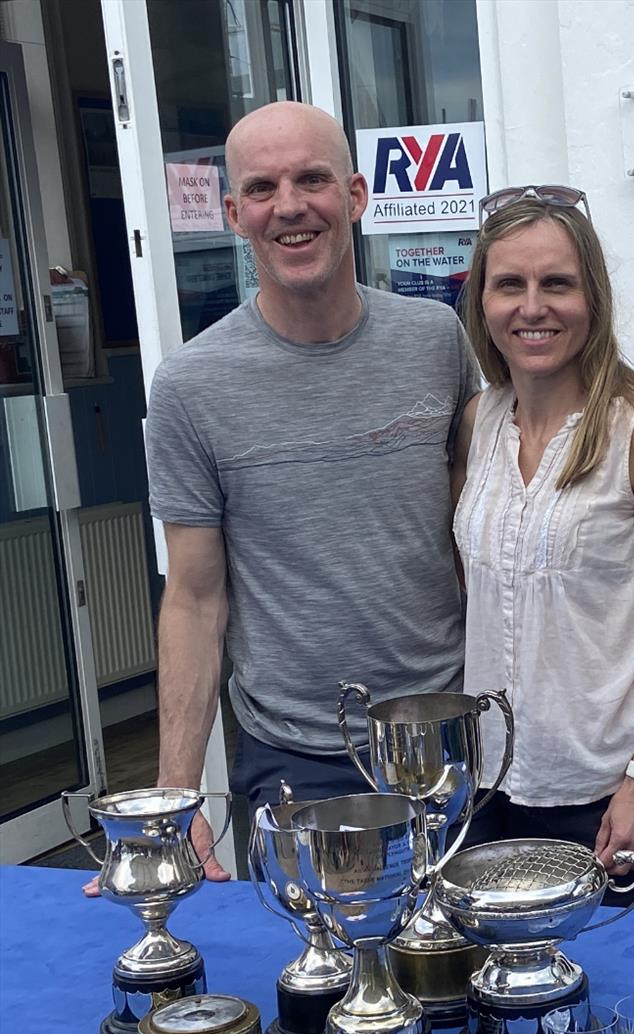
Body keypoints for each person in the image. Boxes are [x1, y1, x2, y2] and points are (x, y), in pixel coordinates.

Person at [85, 102, 480, 894]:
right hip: (299, 759)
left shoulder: (437, 340)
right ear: (234, 213)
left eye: (312, 179)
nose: (290, 206)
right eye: (262, 188)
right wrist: (175, 802)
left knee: (470, 992)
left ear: (358, 195)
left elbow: (482, 530)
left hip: (450, 744)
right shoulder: (192, 388)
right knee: (327, 1002)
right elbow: (194, 600)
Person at [452, 185, 634, 911]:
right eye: (510, 284)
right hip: (493, 795)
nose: (533, 307)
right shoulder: (480, 423)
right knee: (516, 1016)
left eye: (557, 284)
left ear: (591, 298)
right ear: (482, 302)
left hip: (612, 800)